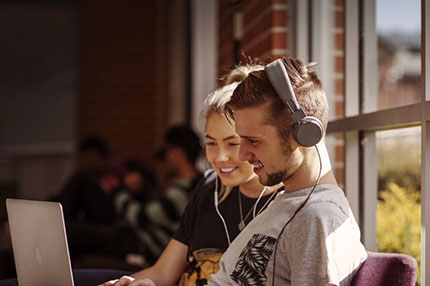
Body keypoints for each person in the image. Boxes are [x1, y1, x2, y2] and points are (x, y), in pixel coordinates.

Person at [102, 63, 281, 286]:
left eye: (232, 143)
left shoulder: (284, 205)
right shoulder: (208, 189)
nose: (219, 157)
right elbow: (163, 272)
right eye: (211, 143)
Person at [203, 57, 368, 285]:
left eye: (253, 140)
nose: (242, 155)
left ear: (303, 135)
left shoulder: (318, 219)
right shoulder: (289, 202)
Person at [111, 125, 204, 265]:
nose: (166, 157)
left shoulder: (184, 191)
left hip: (148, 246)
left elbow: (141, 217)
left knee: (82, 180)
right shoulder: (195, 185)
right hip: (147, 242)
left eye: (168, 151)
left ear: (177, 152)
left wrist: (119, 191)